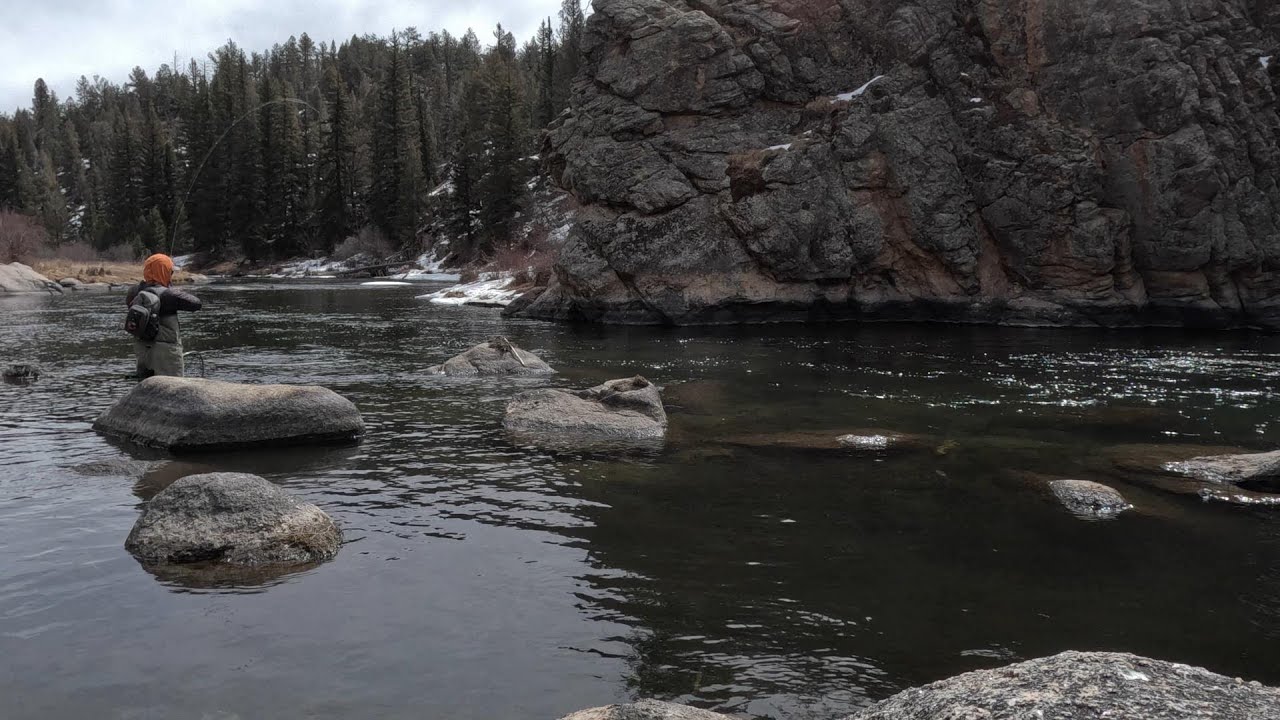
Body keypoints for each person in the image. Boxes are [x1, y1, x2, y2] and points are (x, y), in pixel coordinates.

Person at [126, 253, 202, 378]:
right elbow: (196, 304)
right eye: (169, 272)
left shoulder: (134, 292)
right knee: (172, 392)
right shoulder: (168, 295)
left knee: (147, 391)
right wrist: (171, 289)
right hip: (167, 356)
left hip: (143, 352)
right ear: (163, 271)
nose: (171, 276)